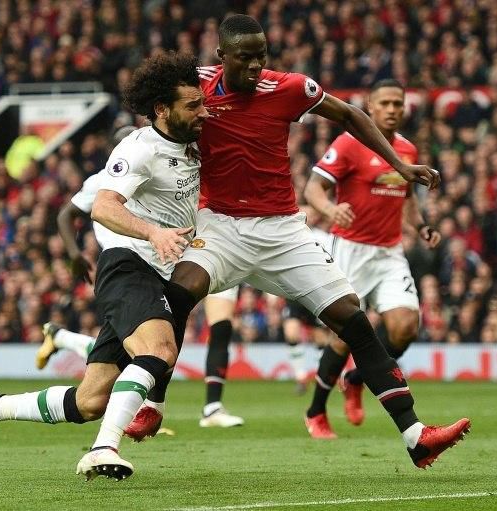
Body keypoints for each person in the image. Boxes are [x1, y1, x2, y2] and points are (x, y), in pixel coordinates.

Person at [170, 14, 470, 469]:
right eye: (245, 58)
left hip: (283, 230)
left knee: (355, 323)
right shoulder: (195, 86)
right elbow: (155, 107)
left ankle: (415, 435)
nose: (255, 66)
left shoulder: (290, 88)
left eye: (261, 56)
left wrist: (402, 167)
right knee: (174, 296)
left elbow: (350, 115)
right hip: (221, 225)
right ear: (222, 56)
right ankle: (147, 405)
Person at [0, 52, 209, 480]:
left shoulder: (191, 144)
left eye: (203, 102)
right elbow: (102, 208)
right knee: (158, 351)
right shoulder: (138, 149)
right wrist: (152, 233)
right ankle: (102, 448)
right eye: (193, 105)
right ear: (162, 110)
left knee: (90, 401)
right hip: (128, 266)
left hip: (161, 272)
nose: (203, 112)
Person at [37, 126, 243, 429]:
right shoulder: (103, 182)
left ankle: (60, 343)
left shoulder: (167, 166)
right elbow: (66, 215)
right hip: (125, 267)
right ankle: (138, 416)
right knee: (147, 347)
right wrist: (73, 254)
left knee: (136, 348)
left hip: (173, 261)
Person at [302, 79, 442, 438]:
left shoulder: (407, 151)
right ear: (370, 106)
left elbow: (407, 198)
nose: (394, 109)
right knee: (343, 337)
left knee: (405, 326)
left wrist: (422, 226)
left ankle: (355, 378)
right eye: (386, 103)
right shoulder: (349, 143)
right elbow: (312, 189)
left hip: (390, 251)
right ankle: (316, 411)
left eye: (399, 103)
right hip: (351, 250)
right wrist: (332, 211)